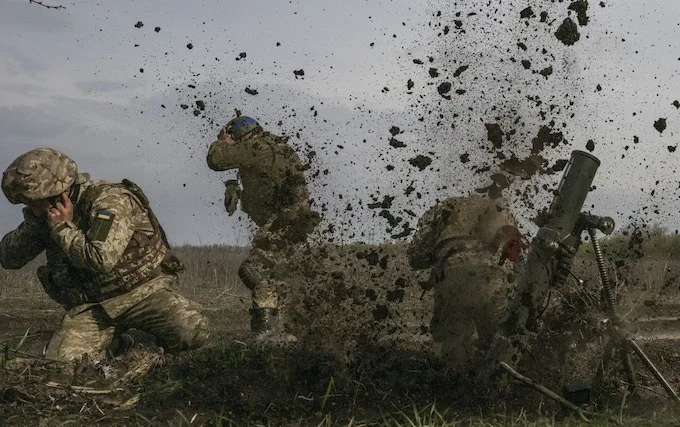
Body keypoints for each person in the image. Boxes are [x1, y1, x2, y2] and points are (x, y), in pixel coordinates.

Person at [0, 148, 209, 362]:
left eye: (36, 202)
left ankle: (142, 340)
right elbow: (8, 259)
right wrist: (36, 225)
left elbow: (100, 259)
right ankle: (122, 344)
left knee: (192, 328)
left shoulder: (110, 201)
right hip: (93, 307)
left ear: (61, 192)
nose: (33, 208)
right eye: (29, 204)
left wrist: (63, 229)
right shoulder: (45, 216)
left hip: (142, 295)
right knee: (63, 363)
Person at [207, 115, 321, 342]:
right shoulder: (275, 146)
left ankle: (266, 331)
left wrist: (221, 142)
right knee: (277, 277)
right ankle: (290, 331)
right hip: (293, 222)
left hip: (286, 222)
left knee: (254, 270)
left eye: (233, 136)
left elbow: (216, 160)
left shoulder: (256, 146)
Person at [407, 195, 526, 374]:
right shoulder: (501, 210)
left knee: (452, 341)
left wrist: (436, 257)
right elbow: (519, 257)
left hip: (454, 274)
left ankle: (457, 389)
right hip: (495, 277)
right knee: (501, 339)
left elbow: (416, 256)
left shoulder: (445, 208)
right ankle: (502, 386)